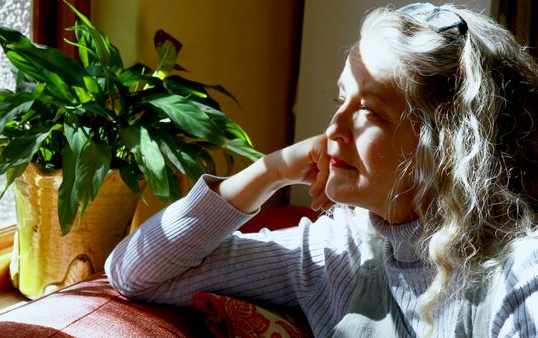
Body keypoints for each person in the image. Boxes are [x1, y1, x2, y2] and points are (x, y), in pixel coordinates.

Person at [106, 3, 538, 337]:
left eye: (368, 111)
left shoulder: (521, 273)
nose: (334, 128)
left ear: (447, 145)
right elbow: (136, 273)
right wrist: (268, 173)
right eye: (340, 100)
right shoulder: (335, 253)